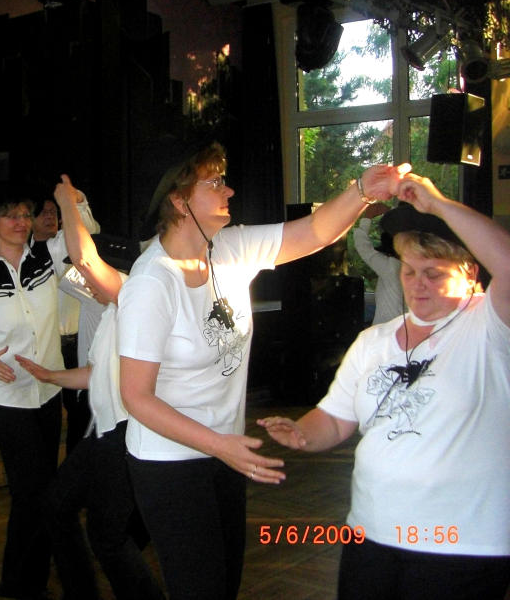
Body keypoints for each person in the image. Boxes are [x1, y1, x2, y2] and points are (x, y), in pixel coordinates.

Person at [117, 141, 408, 600]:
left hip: (226, 451)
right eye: (215, 182)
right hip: (170, 462)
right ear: (179, 200)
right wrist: (220, 446)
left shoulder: (228, 248)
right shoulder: (152, 282)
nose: (229, 190)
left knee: (224, 583)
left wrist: (362, 190)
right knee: (199, 589)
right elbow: (136, 397)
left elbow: (315, 231)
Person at [258, 172, 510, 600]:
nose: (417, 284)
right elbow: (335, 419)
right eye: (409, 271)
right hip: (370, 535)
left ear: (470, 272)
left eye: (433, 273)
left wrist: (438, 204)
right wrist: (303, 433)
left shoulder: (488, 327)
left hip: (462, 544)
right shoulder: (373, 341)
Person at [15, 175, 163, 600]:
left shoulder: (135, 298)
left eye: (94, 275)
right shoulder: (113, 306)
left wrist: (70, 204)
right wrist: (51, 376)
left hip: (127, 428)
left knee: (105, 533)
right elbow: (97, 371)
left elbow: (81, 256)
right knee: (65, 510)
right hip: (104, 424)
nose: (86, 281)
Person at [0, 181, 94, 600]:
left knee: (36, 492)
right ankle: (38, 582)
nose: (22, 221)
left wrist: (77, 203)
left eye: (26, 214)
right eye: (11, 215)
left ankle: (24, 580)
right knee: (36, 490)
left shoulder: (47, 259)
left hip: (47, 393)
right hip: (5, 398)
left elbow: (82, 238)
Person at [31, 189, 100, 455]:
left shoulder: (63, 244)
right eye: (43, 213)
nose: (50, 217)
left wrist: (78, 202)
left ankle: (75, 465)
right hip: (43, 345)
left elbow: (89, 231)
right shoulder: (24, 255)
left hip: (73, 343)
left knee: (80, 410)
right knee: (43, 410)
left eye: (54, 212)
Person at [353, 201, 404, 324]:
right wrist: (390, 211)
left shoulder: (391, 267)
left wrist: (367, 217)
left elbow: (363, 247)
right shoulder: (414, 268)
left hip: (387, 330)